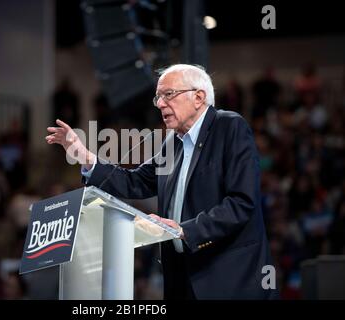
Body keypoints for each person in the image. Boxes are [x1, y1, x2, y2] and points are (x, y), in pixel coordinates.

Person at [46, 64, 278, 300]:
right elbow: (135, 182)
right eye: (158, 96)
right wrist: (83, 155)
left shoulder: (229, 126)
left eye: (169, 94)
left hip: (228, 278)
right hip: (181, 277)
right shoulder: (172, 143)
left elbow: (242, 203)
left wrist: (184, 230)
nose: (159, 103)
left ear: (198, 97)